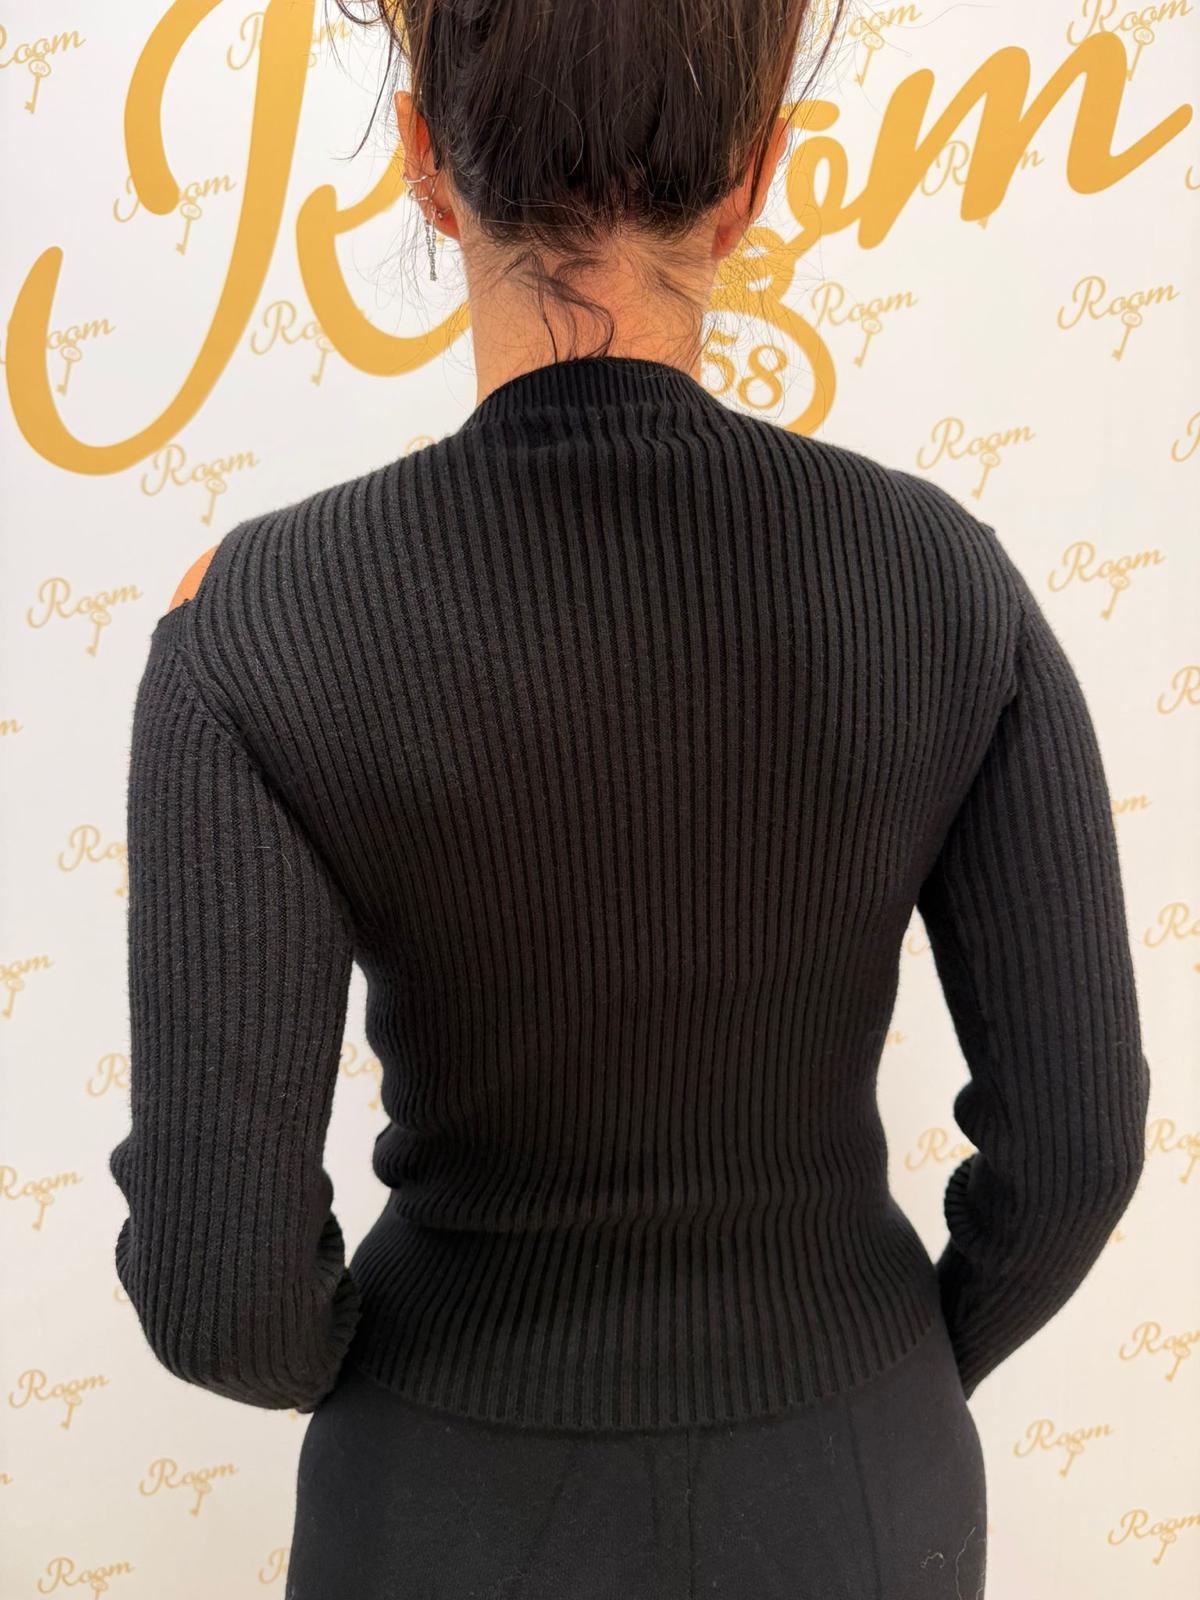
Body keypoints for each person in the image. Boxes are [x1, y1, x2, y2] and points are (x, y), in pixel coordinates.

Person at [107, 3, 1151, 1597]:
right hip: (863, 1488)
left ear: (424, 164)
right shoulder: (947, 581)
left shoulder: (253, 624)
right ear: (754, 179)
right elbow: (1075, 1151)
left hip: (443, 1508)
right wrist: (878, 1369)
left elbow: (218, 1293)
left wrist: (406, 1389)